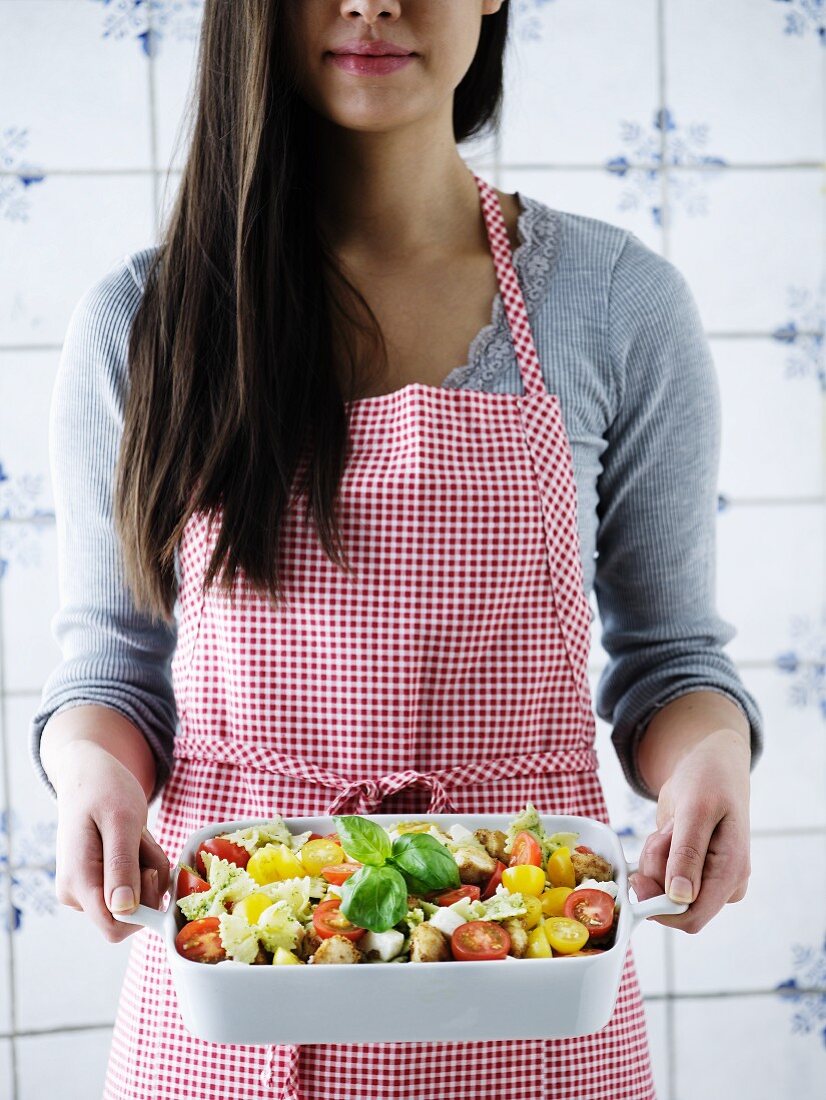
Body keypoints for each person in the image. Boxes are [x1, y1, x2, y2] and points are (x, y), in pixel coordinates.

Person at [31, 2, 763, 1098]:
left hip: (530, 963)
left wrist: (712, 761)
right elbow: (111, 667)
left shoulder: (619, 303)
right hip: (237, 975)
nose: (371, 1)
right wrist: (94, 773)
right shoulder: (147, 317)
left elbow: (669, 660)